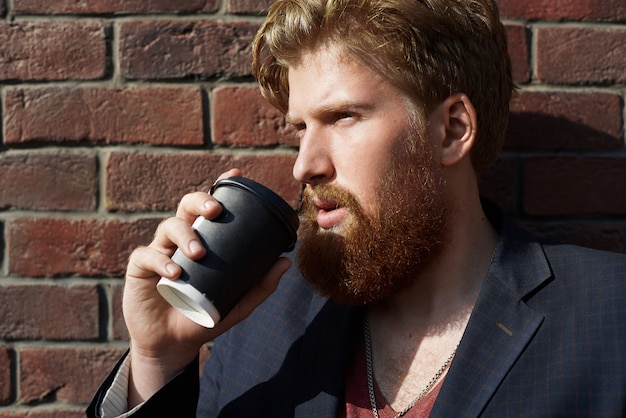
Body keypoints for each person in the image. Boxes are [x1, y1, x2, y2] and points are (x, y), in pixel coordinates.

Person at [88, 0, 626, 416]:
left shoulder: (608, 319)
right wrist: (158, 361)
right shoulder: (260, 323)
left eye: (343, 116)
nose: (305, 165)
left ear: (452, 129)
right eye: (301, 128)